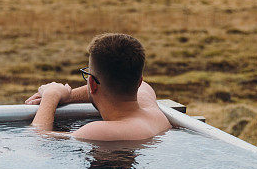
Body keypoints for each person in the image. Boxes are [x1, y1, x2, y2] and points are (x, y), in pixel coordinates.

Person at [25, 33, 171, 141]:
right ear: (138, 82)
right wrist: (68, 96)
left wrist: (51, 96)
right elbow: (144, 87)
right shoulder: (153, 111)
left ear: (92, 84)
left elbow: (39, 138)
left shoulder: (100, 131)